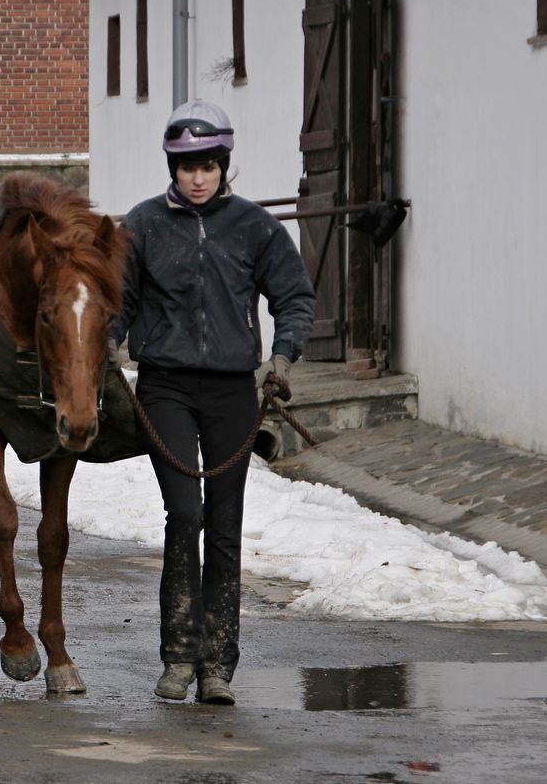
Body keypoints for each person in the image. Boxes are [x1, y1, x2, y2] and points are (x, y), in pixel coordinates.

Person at [112, 100, 315, 705]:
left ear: (224, 165)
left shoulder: (255, 227)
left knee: (225, 527)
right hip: (165, 388)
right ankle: (177, 657)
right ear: (171, 167)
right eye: (187, 166)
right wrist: (106, 346)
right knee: (187, 514)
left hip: (232, 391)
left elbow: (294, 297)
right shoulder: (142, 225)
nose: (198, 177)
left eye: (209, 165)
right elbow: (117, 301)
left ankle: (217, 667)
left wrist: (282, 358)